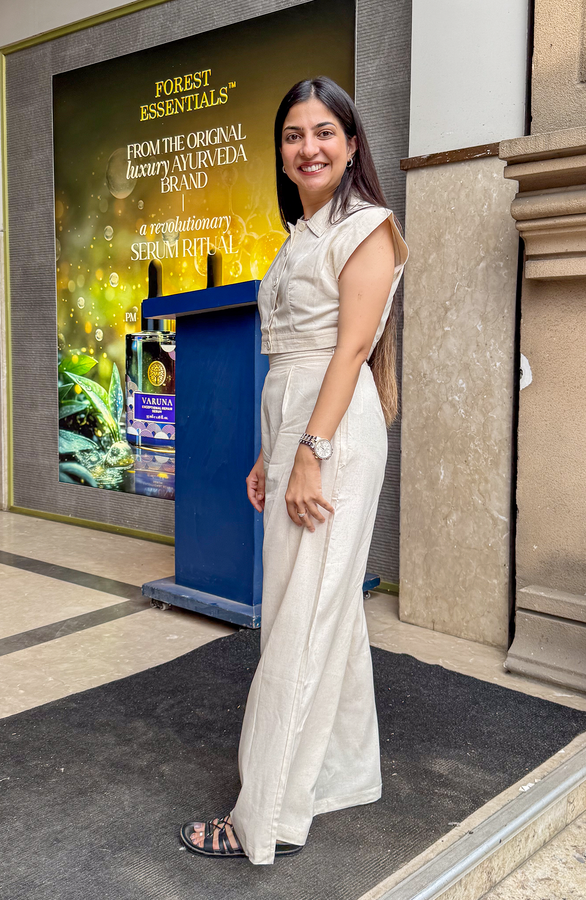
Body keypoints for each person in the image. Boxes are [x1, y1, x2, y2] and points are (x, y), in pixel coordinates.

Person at [180, 76, 409, 865]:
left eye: (323, 133)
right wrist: (269, 452)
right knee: (323, 610)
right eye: (292, 136)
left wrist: (308, 454)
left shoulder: (367, 227)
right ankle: (340, 775)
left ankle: (263, 818)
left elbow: (347, 351)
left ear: (350, 145)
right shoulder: (302, 232)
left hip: (333, 433)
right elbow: (293, 362)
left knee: (299, 620)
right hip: (301, 427)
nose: (306, 148)